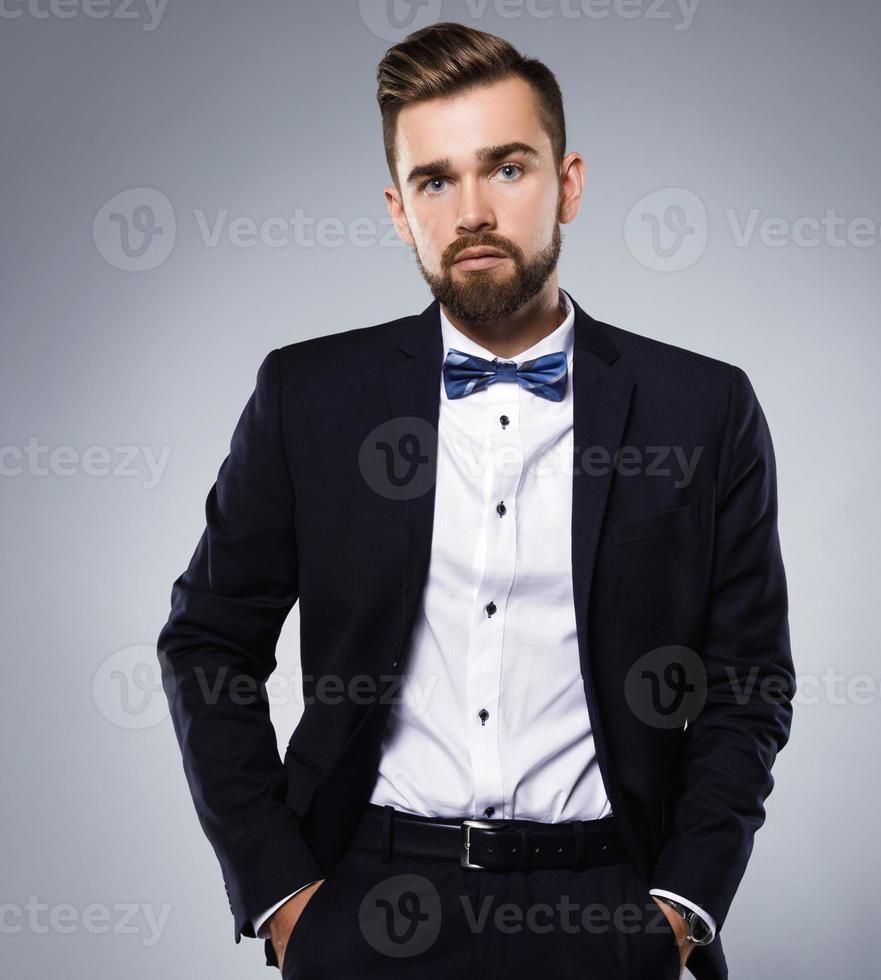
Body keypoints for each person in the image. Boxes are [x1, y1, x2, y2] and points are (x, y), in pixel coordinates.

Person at [158, 21, 794, 980]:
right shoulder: (309, 397)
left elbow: (747, 678)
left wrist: (682, 907)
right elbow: (209, 640)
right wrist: (283, 896)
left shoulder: (703, 408)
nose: (471, 211)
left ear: (568, 182)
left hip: (609, 909)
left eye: (506, 168)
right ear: (398, 208)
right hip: (369, 906)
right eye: (435, 180)